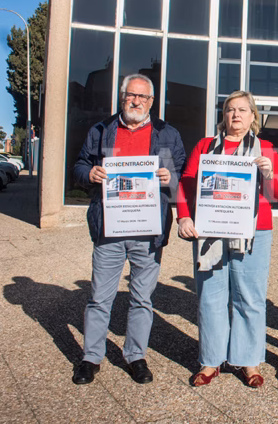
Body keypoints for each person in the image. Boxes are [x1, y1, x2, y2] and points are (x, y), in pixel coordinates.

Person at [72, 74, 186, 385]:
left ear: (151, 102)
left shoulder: (168, 134)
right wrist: (90, 173)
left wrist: (170, 178)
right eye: (130, 96)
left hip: (148, 231)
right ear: (122, 98)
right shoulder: (101, 130)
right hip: (109, 228)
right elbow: (79, 165)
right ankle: (90, 357)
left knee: (142, 299)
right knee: (99, 297)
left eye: (143, 97)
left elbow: (184, 177)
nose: (136, 102)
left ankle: (136, 355)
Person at [177, 90, 278, 388]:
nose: (235, 115)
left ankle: (248, 359)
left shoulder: (264, 149)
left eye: (242, 110)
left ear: (253, 117)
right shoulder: (205, 146)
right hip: (210, 232)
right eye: (230, 109)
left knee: (249, 297)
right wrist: (183, 217)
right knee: (211, 296)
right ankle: (211, 360)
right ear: (223, 116)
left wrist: (270, 174)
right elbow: (186, 184)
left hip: (253, 233)